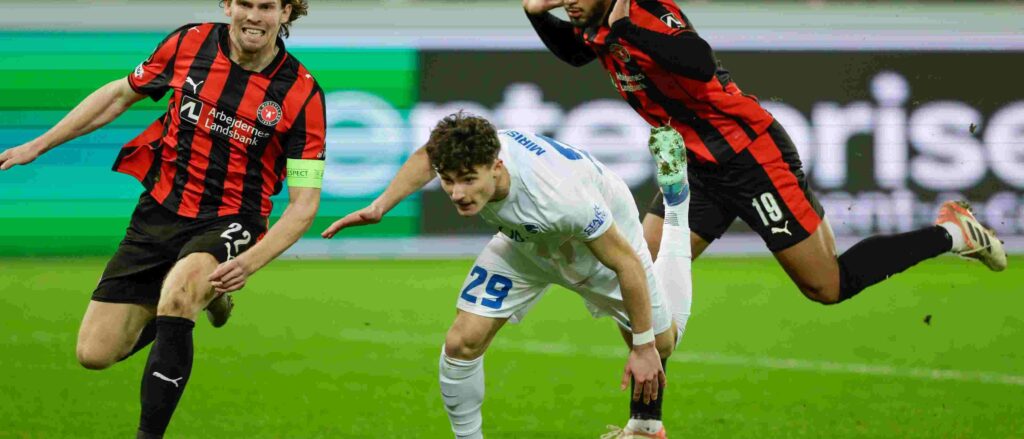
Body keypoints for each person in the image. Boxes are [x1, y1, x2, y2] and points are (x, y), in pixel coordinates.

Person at [524, 0, 1006, 307]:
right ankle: (645, 422)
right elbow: (577, 53)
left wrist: (627, 30)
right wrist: (536, 13)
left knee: (827, 285)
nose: (567, 1)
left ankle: (951, 233)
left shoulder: (645, 11)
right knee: (642, 278)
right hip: (697, 168)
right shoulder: (597, 22)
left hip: (749, 158)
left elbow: (698, 61)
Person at [0, 1, 325, 437]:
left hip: (232, 218)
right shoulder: (189, 43)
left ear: (286, 13)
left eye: (266, 6)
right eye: (245, 3)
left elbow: (303, 205)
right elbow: (119, 95)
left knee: (179, 293)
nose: (254, 16)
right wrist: (38, 145)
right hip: (159, 210)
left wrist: (250, 262)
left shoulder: (302, 93)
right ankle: (207, 296)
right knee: (94, 353)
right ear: (228, 5)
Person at [322, 113, 692, 438]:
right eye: (448, 180)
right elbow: (427, 156)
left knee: (661, 345)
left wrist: (643, 348)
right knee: (462, 342)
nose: (457, 193)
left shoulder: (561, 198)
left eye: (468, 180)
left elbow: (625, 264)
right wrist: (380, 207)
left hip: (593, 248)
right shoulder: (471, 152)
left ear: (497, 166)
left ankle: (676, 204)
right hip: (525, 246)